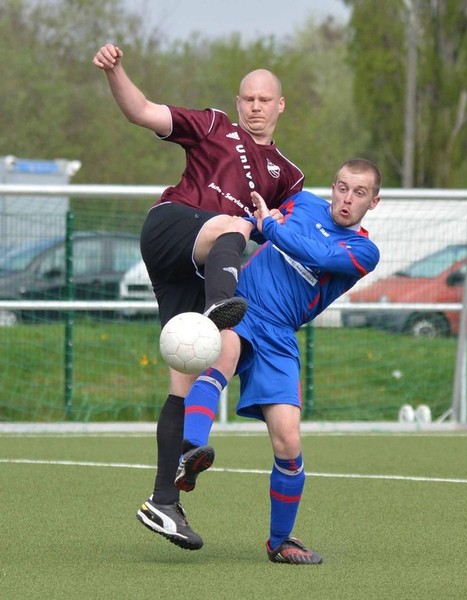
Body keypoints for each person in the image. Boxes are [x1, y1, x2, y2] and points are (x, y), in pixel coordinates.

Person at [92, 44, 305, 550]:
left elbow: (294, 236)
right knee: (234, 224)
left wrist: (278, 224)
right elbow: (141, 111)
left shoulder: (289, 176)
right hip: (172, 226)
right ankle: (217, 309)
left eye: (264, 99)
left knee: (183, 380)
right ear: (238, 102)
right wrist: (116, 71)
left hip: (199, 268)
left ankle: (164, 502)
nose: (255, 106)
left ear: (280, 105)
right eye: (248, 98)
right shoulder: (213, 125)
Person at [173, 158, 382, 564]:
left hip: (280, 335)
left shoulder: (363, 252)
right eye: (342, 187)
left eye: (359, 193)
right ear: (333, 187)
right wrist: (253, 223)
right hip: (242, 306)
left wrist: (271, 226)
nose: (346, 198)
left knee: (288, 441)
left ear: (373, 202)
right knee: (222, 358)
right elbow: (254, 223)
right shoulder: (301, 203)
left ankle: (280, 542)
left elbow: (317, 254)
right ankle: (191, 451)